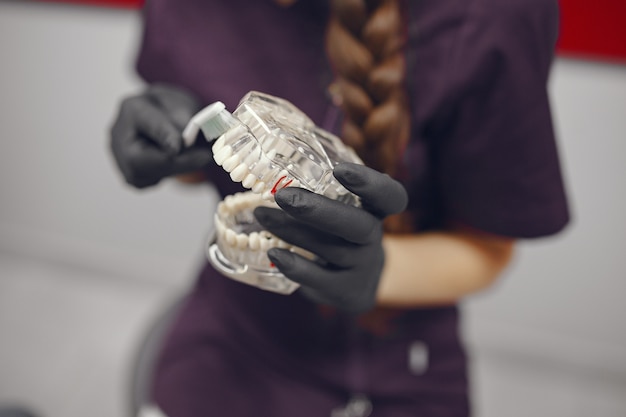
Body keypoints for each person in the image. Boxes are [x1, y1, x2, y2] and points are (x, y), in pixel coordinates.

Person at [110, 0, 570, 416]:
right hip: (232, 326)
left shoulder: (496, 14)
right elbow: (209, 173)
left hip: (392, 363)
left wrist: (380, 270)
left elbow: (489, 250)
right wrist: (174, 150)